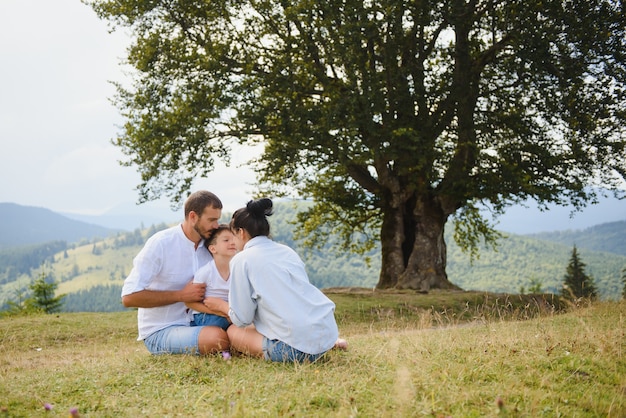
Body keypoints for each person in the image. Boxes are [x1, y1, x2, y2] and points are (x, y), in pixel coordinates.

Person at [226, 198, 347, 363]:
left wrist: (222, 308)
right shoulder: (287, 251)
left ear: (241, 232)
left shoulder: (242, 260)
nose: (233, 242)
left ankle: (293, 350)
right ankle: (323, 345)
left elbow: (242, 319)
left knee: (233, 332)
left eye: (233, 235)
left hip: (292, 351)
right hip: (323, 338)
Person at [121, 190, 229, 355]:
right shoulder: (161, 244)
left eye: (217, 220)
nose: (216, 226)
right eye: (211, 220)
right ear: (193, 216)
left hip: (202, 322)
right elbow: (129, 297)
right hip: (162, 330)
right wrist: (181, 295)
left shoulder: (211, 247)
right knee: (217, 339)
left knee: (241, 328)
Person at [186, 224, 236, 330]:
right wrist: (219, 312)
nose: (232, 242)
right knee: (219, 323)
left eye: (234, 239)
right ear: (213, 248)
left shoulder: (237, 270)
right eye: (226, 240)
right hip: (206, 314)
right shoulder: (205, 272)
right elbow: (191, 302)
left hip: (229, 311)